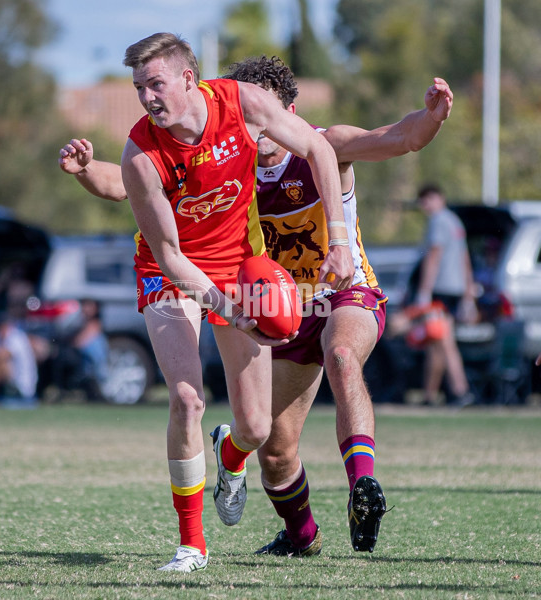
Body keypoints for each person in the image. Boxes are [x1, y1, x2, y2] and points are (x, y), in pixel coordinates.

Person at [59, 54, 453, 561]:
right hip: (274, 307)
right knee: (271, 444)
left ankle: (362, 485)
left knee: (342, 356)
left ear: (287, 109)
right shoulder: (232, 157)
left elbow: (399, 138)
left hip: (342, 292)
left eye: (263, 110)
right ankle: (299, 532)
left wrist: (432, 117)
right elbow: (131, 182)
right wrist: (89, 169)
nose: (253, 124)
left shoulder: (323, 145)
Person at [61, 33, 349, 573]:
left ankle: (229, 453)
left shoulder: (242, 103)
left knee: (258, 428)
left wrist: (337, 237)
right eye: (139, 87)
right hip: (169, 273)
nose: (147, 97)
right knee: (188, 397)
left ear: (189, 78)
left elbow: (319, 148)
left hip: (239, 264)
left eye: (156, 84)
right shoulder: (142, 153)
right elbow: (170, 255)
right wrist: (222, 303)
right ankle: (191, 543)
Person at [414, 184, 478, 407]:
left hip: (440, 290)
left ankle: (461, 391)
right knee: (436, 342)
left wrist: (424, 291)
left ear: (439, 198)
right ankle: (430, 394)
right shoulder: (454, 221)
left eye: (428, 199)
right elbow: (465, 257)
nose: (425, 205)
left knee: (445, 343)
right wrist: (468, 291)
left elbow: (434, 256)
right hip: (456, 289)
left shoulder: (439, 221)